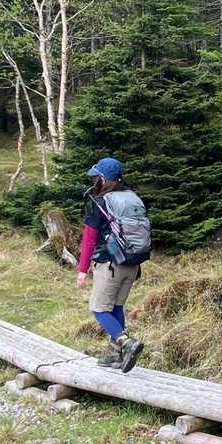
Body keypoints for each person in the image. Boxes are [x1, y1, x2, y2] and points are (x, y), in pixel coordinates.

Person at [76, 157, 145, 372]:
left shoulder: (101, 202)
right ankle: (116, 355)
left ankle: (126, 343)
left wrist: (82, 271)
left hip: (110, 264)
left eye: (96, 177)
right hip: (132, 264)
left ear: (104, 179)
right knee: (116, 307)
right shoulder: (133, 198)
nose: (94, 181)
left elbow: (89, 239)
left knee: (99, 309)